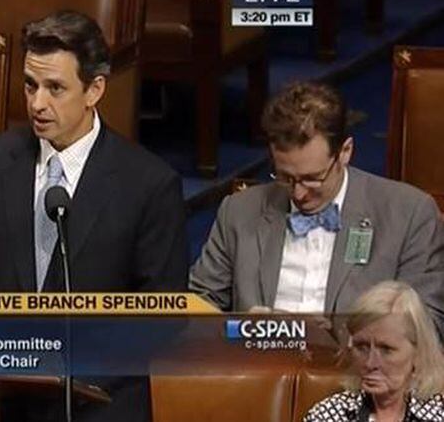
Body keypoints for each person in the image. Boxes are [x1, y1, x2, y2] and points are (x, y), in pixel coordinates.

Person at [0, 10, 188, 421]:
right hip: (2, 403)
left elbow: (159, 319)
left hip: (100, 404)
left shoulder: (149, 185)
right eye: (30, 85)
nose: (38, 103)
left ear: (94, 90)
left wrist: (67, 372)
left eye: (55, 88)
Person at [190, 82, 444, 336]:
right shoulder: (239, 211)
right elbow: (196, 307)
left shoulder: (408, 214)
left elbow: (427, 328)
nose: (299, 193)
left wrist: (339, 333)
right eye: (285, 177)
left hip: (358, 371)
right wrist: (242, 330)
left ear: (345, 152)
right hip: (259, 368)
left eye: (312, 178)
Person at [303, 281, 444, 421]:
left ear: (417, 354)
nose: (371, 363)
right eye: (362, 347)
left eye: (386, 350)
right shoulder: (329, 416)